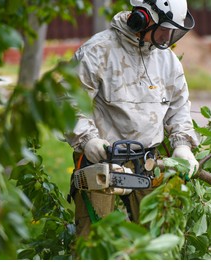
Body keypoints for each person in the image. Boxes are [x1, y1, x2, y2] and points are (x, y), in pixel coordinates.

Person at [65, 0, 199, 237]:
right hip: (102, 161)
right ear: (143, 18)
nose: (167, 38)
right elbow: (69, 101)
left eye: (172, 32)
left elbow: (178, 105)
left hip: (148, 163)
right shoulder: (97, 51)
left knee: (158, 239)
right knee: (93, 241)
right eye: (164, 30)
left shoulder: (165, 59)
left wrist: (182, 145)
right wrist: (87, 140)